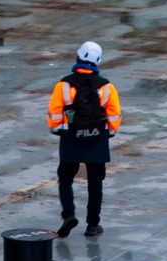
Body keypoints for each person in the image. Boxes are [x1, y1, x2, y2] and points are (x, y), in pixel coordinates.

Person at [47, 41, 121, 238]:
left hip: (71, 137)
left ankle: (69, 214)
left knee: (65, 178)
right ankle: (93, 225)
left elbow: (55, 111)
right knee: (95, 183)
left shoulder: (64, 85)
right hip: (98, 139)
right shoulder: (106, 87)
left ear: (78, 57)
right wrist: (110, 131)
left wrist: (59, 130)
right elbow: (114, 113)